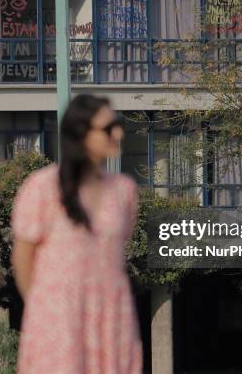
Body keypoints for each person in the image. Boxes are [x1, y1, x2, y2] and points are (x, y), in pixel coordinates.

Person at [10, 94, 143, 373]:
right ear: (82, 134)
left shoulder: (124, 190)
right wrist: (46, 310)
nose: (118, 133)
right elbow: (23, 261)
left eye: (117, 124)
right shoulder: (41, 187)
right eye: (108, 128)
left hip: (111, 318)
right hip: (58, 320)